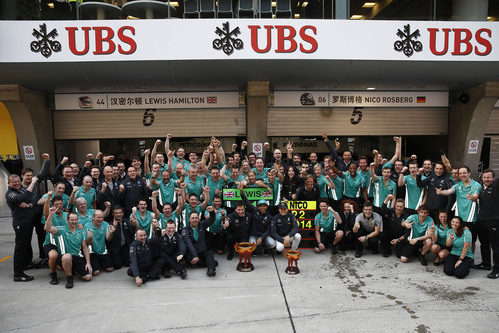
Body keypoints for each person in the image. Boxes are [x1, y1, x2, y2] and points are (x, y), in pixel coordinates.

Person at [436, 166, 481, 253]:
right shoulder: (458, 185)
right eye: (460, 173)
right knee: (458, 238)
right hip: (459, 219)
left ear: (469, 173)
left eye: (464, 173)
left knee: (471, 240)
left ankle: (470, 259)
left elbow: (476, 196)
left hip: (471, 219)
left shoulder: (476, 185)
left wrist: (472, 197)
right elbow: (449, 191)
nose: (462, 175)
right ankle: (458, 255)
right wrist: (440, 192)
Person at [44, 208, 92, 288]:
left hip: (77, 257)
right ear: (67, 220)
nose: (74, 222)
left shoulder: (82, 231)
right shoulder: (61, 229)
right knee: (67, 257)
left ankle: (71, 269)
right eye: (72, 220)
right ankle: (69, 277)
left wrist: (88, 263)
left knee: (88, 277)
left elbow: (85, 248)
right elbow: (47, 228)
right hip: (64, 256)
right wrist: (51, 215)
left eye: (76, 220)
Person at [19, 153, 51, 267]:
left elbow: (43, 173)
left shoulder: (35, 182)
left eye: (31, 175)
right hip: (26, 217)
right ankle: (28, 260)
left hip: (38, 214)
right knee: (26, 239)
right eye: (27, 175)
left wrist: (47, 161)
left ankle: (44, 257)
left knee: (42, 236)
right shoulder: (19, 188)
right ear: (22, 175)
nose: (29, 177)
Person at [5, 174, 39, 281]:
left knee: (26, 245)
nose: (17, 183)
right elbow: (23, 198)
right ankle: (18, 274)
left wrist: (29, 205)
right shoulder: (10, 193)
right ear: (8, 183)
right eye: (14, 182)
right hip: (20, 223)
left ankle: (26, 264)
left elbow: (31, 199)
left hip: (27, 222)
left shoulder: (20, 190)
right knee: (20, 248)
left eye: (18, 181)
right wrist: (33, 183)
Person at [239, 184, 275, 253]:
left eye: (264, 206)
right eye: (260, 206)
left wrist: (262, 237)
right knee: (252, 246)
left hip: (264, 236)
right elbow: (247, 202)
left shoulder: (270, 217)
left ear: (266, 207)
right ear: (258, 207)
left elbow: (268, 230)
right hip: (254, 235)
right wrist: (241, 192)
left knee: (272, 244)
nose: (262, 208)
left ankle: (264, 247)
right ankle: (255, 249)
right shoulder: (254, 211)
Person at [476, 169, 499, 278]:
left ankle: (497, 269)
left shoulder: (496, 186)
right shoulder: (481, 188)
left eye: (489, 177)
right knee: (484, 244)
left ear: (493, 178)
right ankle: (486, 264)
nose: (486, 179)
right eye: (484, 177)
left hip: (494, 221)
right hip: (481, 221)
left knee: (495, 246)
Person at [181, 209, 218, 277]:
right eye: (192, 218)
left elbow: (211, 219)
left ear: (199, 219)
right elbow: (188, 243)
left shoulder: (202, 224)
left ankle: (211, 270)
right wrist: (195, 255)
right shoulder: (185, 230)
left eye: (196, 218)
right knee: (190, 260)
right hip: (192, 253)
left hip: (202, 251)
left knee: (209, 253)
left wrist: (212, 212)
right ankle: (211, 262)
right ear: (189, 219)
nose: (194, 220)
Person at [86, 210, 115, 275]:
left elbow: (108, 239)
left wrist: (110, 233)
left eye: (102, 217)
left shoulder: (105, 224)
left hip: (103, 251)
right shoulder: (87, 225)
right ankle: (96, 265)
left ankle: (99, 264)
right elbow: (87, 243)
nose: (100, 219)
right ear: (93, 217)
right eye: (98, 217)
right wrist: (90, 238)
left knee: (110, 269)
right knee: (96, 272)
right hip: (92, 252)